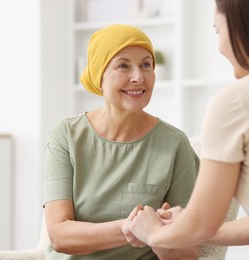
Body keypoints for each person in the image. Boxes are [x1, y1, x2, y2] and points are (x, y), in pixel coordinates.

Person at [124, 0, 249, 259]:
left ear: (241, 28)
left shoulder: (238, 100)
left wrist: (152, 232)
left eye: (217, 31)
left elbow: (202, 222)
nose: (219, 46)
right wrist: (184, 225)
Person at [43, 24, 201, 259]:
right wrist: (131, 228)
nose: (138, 77)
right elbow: (59, 235)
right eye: (123, 66)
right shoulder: (66, 135)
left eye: (146, 65)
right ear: (100, 77)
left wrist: (161, 237)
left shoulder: (175, 144)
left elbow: (187, 253)